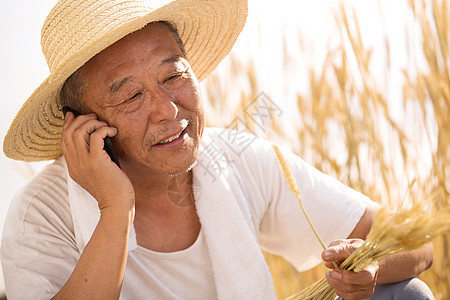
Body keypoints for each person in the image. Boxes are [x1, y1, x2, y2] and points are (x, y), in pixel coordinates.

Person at [1, 0, 435, 299]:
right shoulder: (39, 213)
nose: (168, 109)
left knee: (406, 294)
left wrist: (372, 267)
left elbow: (418, 245)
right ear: (84, 126)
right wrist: (115, 209)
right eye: (130, 97)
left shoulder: (240, 159)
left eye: (173, 76)